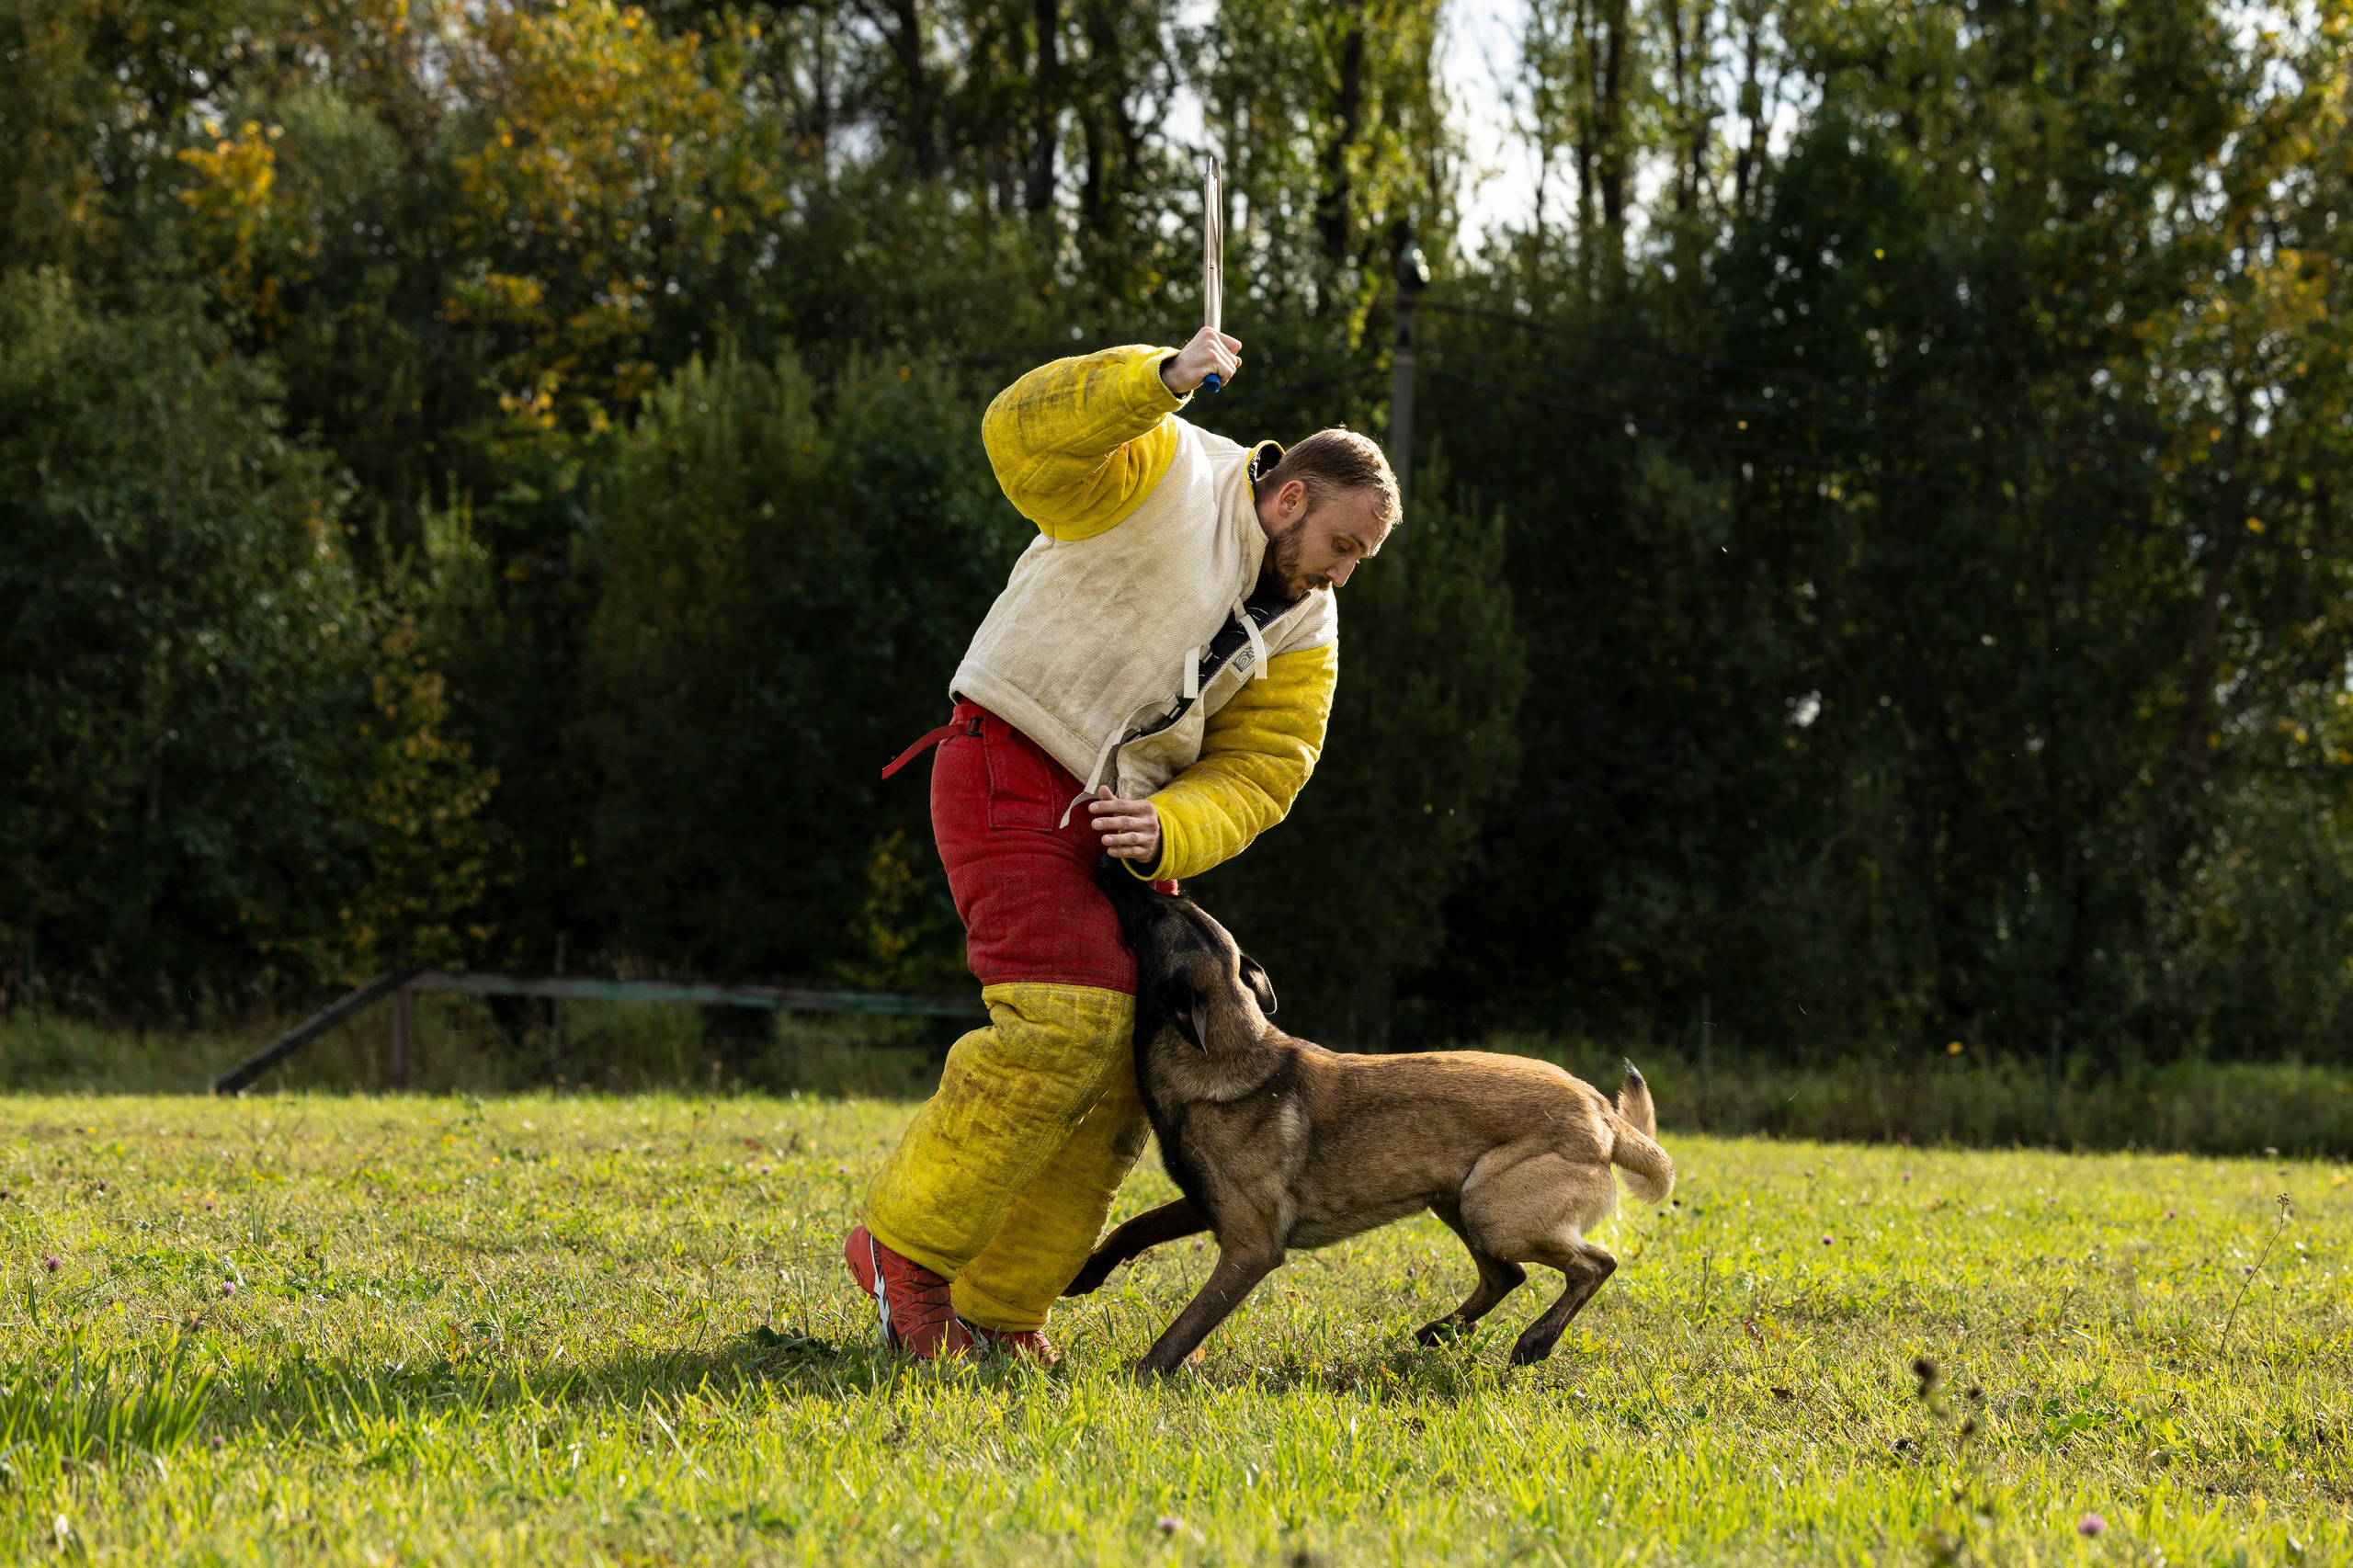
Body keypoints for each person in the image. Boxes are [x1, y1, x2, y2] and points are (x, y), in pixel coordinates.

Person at [844, 325, 1399, 1358]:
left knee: (1132, 1066)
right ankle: (904, 1255)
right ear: (1290, 500)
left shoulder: (1308, 625)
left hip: (1121, 823)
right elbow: (1020, 437)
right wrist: (1158, 379)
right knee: (1063, 1019)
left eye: (1359, 560)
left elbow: (1268, 766)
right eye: (1341, 548)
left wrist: (1169, 825)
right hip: (1009, 748)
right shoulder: (1166, 461)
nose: (1343, 576)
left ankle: (1001, 1308)